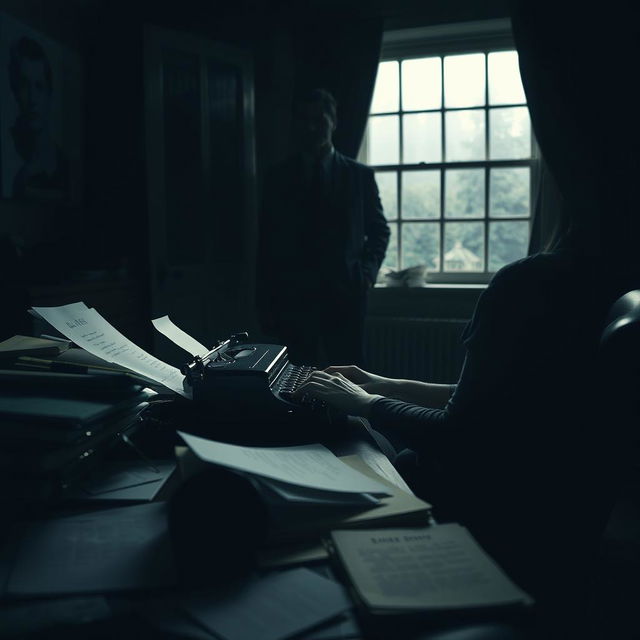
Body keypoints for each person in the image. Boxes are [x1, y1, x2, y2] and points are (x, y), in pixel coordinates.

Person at [292, 225, 631, 634]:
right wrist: (382, 384)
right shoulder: (613, 276)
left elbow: (459, 436)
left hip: (493, 515)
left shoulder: (530, 282)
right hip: (556, 513)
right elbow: (488, 403)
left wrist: (365, 404)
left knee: (358, 446)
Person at [256, 88, 390, 368]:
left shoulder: (359, 176)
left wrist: (366, 273)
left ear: (334, 121)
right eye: (303, 120)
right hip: (293, 299)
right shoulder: (278, 177)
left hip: (346, 296)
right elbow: (267, 242)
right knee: (293, 377)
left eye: (318, 119)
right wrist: (267, 299)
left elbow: (379, 230)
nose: (311, 127)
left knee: (349, 374)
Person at [8, 36, 69, 201]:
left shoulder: (65, 164)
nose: (33, 98)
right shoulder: (9, 161)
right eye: (24, 85)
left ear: (49, 93)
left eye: (39, 86)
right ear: (15, 92)